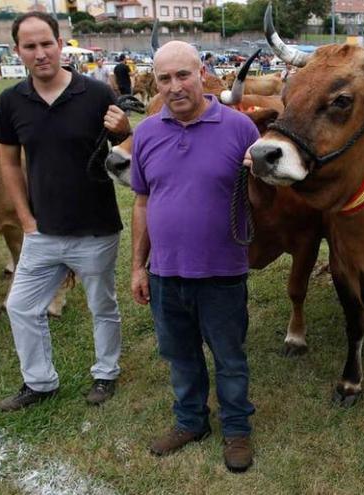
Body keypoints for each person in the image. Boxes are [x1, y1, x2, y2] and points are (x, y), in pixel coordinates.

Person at [129, 40, 259, 473]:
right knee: (180, 356)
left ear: (202, 73)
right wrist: (137, 267)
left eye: (183, 75)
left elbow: (266, 197)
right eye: (164, 78)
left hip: (222, 273)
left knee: (229, 357)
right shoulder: (146, 132)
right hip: (166, 273)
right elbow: (142, 203)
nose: (174, 86)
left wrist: (259, 176)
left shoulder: (240, 128)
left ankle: (237, 429)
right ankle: (191, 422)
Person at [0, 11, 132, 412]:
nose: (40, 53)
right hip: (42, 231)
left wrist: (124, 129)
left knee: (101, 305)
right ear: (17, 51)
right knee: (20, 305)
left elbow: (125, 149)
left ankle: (105, 373)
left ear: (60, 44)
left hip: (96, 228)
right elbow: (8, 162)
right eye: (30, 46)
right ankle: (39, 382)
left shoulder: (95, 93)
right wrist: (26, 220)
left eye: (46, 44)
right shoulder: (11, 101)